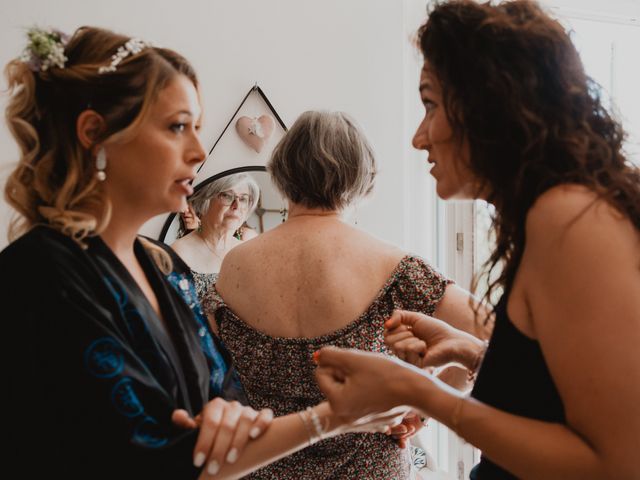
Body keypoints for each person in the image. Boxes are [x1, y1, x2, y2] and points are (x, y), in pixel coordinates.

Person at [1, 26, 407, 479]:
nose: (198, 152)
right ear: (96, 134)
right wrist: (335, 417)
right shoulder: (40, 277)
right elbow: (157, 458)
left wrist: (226, 420)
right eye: (178, 127)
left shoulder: (165, 266)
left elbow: (227, 407)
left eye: (197, 128)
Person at [315, 1, 640, 479]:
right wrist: (473, 353)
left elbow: (615, 463)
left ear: (488, 105)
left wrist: (420, 391)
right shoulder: (552, 212)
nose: (418, 138)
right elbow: (561, 392)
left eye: (430, 104)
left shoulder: (569, 217)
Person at [203, 110, 492, 479]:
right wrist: (421, 408)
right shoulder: (394, 266)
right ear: (362, 177)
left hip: (263, 466)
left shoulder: (234, 265)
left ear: (284, 171)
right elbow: (493, 338)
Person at [172, 173, 260, 299]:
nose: (237, 205)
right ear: (205, 201)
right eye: (227, 196)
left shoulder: (248, 252)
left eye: (243, 199)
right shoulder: (178, 253)